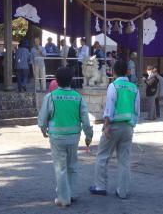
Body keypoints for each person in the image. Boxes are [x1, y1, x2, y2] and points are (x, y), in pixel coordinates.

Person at [38, 66, 93, 207]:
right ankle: (73, 193)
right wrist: (88, 136)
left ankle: (63, 198)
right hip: (74, 137)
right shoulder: (78, 97)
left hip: (57, 137)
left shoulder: (50, 97)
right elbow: (86, 120)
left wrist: (43, 130)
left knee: (60, 167)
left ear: (56, 80)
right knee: (72, 165)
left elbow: (43, 118)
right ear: (71, 80)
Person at [89, 61, 140, 199]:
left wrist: (106, 126)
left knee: (102, 156)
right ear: (128, 71)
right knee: (124, 159)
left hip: (113, 126)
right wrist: (132, 125)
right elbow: (136, 110)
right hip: (128, 127)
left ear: (113, 72)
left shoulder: (113, 86)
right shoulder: (134, 88)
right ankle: (122, 191)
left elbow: (109, 107)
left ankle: (100, 186)